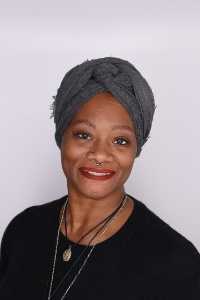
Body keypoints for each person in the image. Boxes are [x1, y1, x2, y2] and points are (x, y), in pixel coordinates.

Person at [0, 57, 200, 300]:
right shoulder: (23, 230)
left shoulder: (175, 263)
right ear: (61, 137)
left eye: (121, 141)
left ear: (136, 149)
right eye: (84, 135)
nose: (100, 154)